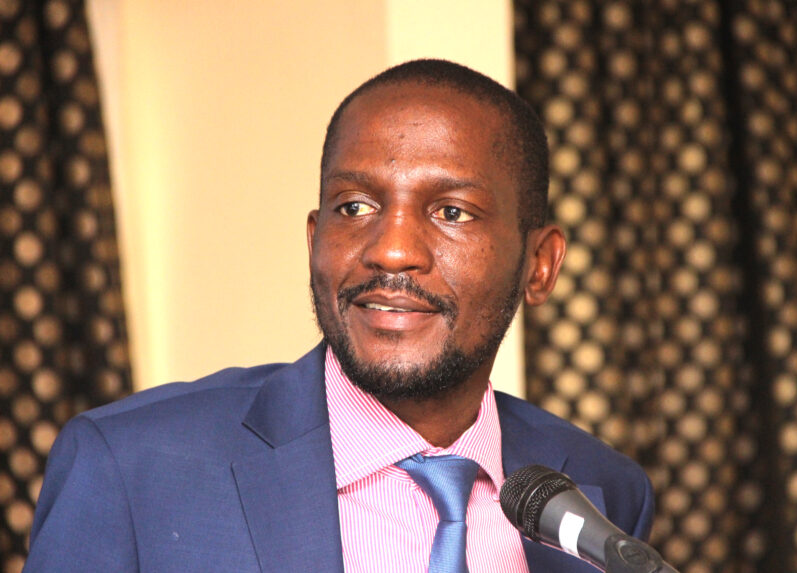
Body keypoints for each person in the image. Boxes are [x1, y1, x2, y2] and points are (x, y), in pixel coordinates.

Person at [25, 59, 653, 572]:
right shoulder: (130, 465)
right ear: (314, 239)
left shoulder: (603, 492)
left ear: (540, 265)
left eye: (451, 212)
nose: (392, 250)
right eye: (354, 207)